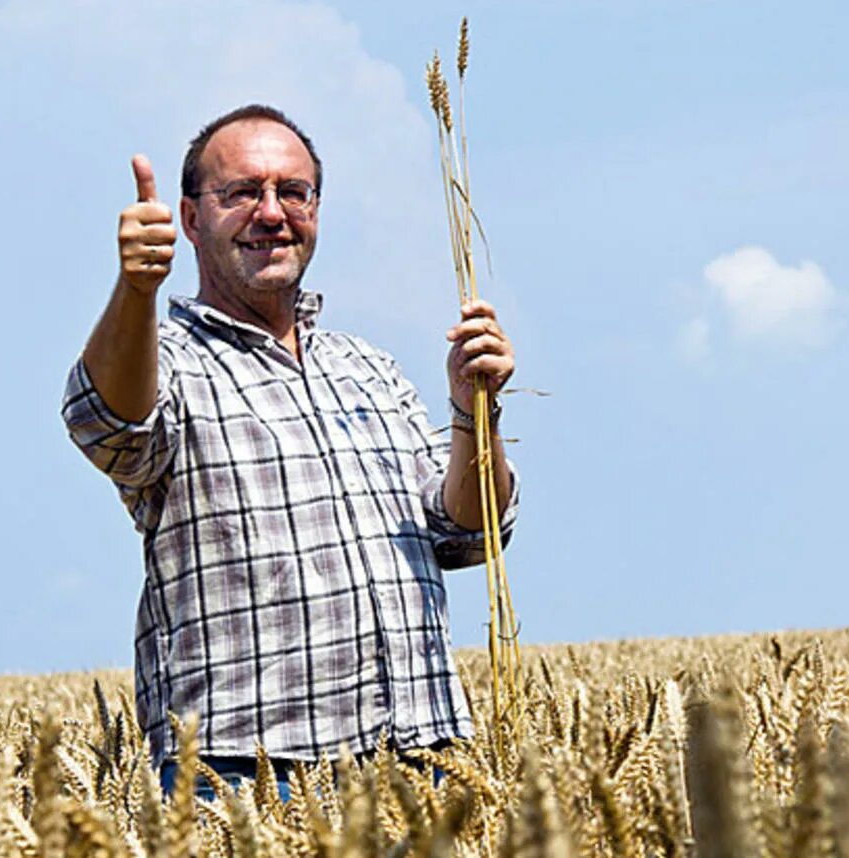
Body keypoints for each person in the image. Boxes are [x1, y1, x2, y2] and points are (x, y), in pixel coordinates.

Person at [60, 104, 518, 797]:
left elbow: (466, 532)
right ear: (189, 220)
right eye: (241, 193)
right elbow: (107, 424)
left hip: (422, 761)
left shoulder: (368, 367)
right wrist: (137, 290)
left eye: (292, 192)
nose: (271, 213)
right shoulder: (170, 362)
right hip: (245, 778)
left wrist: (472, 411)